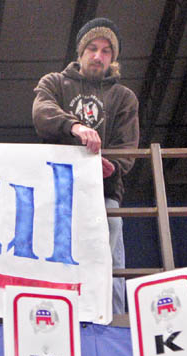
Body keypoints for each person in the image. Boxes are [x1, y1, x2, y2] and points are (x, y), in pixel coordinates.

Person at [32, 18, 139, 314]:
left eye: (106, 51)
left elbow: (128, 150)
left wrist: (108, 166)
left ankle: (115, 320)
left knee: (111, 247)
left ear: (113, 59)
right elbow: (42, 114)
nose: (98, 55)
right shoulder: (54, 82)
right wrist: (75, 127)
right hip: (58, 189)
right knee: (52, 254)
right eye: (92, 48)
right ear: (80, 52)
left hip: (104, 192)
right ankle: (53, 316)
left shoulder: (124, 97)